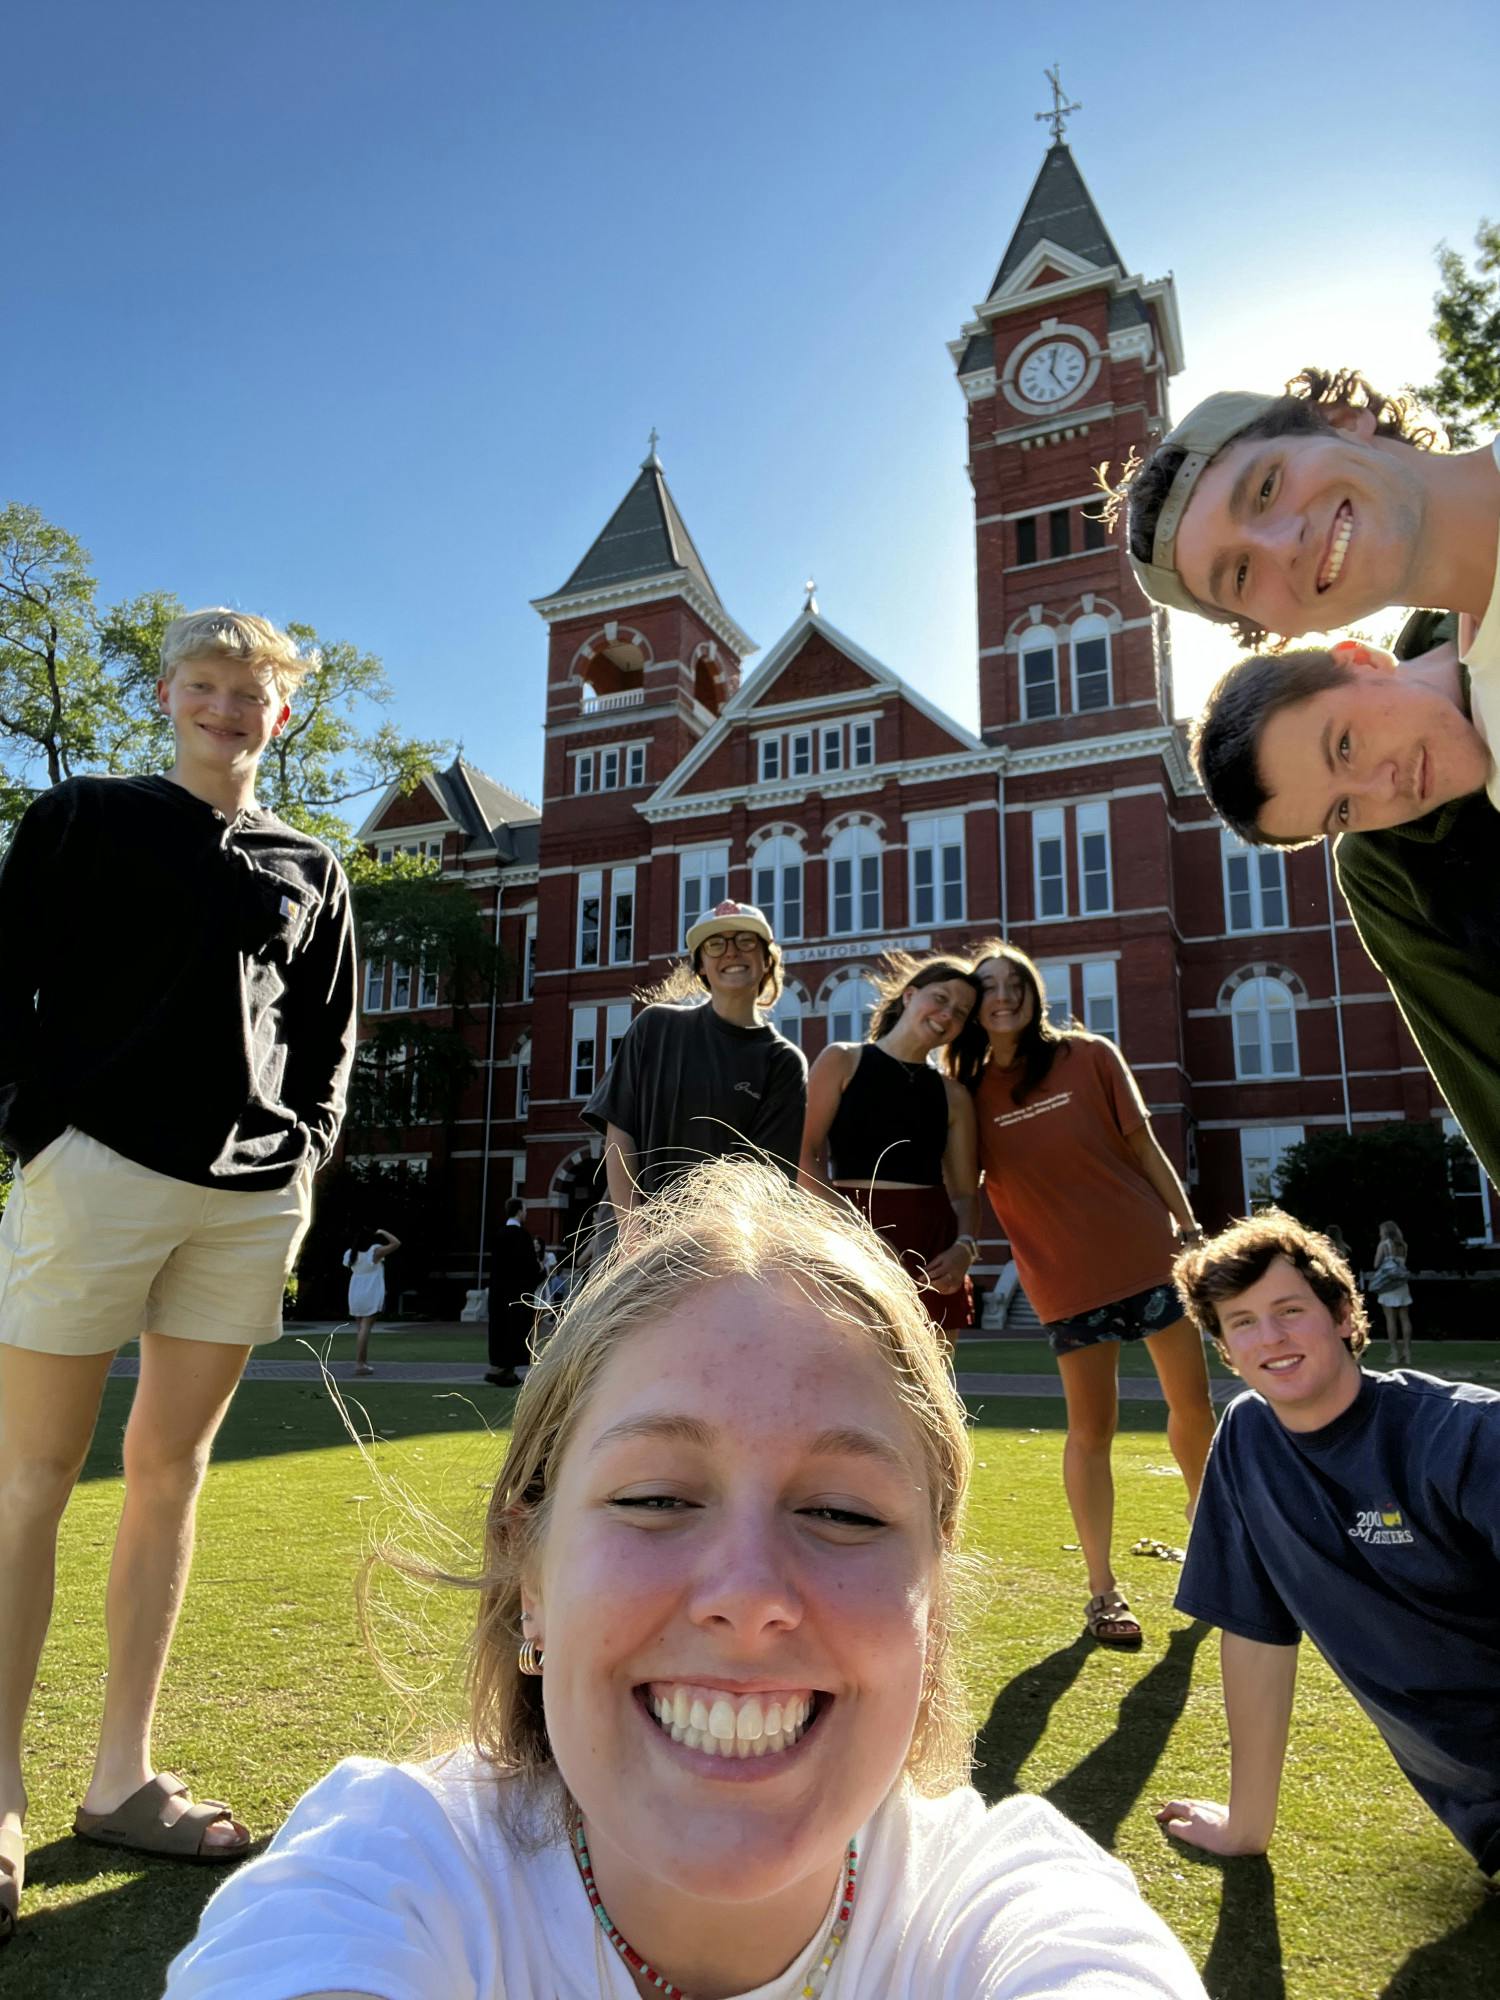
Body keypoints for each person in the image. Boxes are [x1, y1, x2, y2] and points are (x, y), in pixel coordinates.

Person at [165, 1159, 1208, 1999]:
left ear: (932, 1594)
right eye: (656, 1496)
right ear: (528, 1567)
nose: (748, 1589)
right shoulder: (390, 1874)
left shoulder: (1013, 1918)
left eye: (844, 1510)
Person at [0, 608, 357, 1944]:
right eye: (203, 685)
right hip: (94, 1171)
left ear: (283, 714)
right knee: (31, 1478)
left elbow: (326, 1037)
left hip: (247, 1197)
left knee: (170, 1475)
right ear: (168, 698)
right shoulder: (84, 816)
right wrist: (40, 1128)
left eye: (249, 691)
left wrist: (303, 1155)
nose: (224, 707)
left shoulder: (311, 864)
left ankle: (121, 1778)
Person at [1108, 365, 1500, 1189]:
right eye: (1241, 579)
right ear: (1270, 631)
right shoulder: (1420, 831)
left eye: (1266, 487)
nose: (1285, 542)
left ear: (1340, 416)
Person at [1160, 1209, 1500, 1874]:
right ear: (1226, 1350)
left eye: (1289, 1310)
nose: (1271, 1338)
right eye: (1243, 1323)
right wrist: (1245, 1828)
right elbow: (1256, 1636)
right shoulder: (1247, 1440)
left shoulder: (1464, 1437)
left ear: (1344, 1315)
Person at [966, 944, 1215, 1650]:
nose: (1004, 997)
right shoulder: (968, 1092)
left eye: (1016, 984)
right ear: (974, 1006)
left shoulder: (1091, 1055)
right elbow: (961, 1186)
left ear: (1034, 993)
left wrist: (1190, 1226)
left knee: (1193, 1408)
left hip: (1149, 1257)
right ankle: (1103, 1592)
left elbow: (1144, 1146)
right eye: (988, 989)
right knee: (1091, 1431)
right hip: (1067, 1281)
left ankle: (1210, 1546)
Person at [799, 954, 982, 1346]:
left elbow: (966, 1194)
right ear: (910, 995)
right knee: (843, 1377)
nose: (948, 1014)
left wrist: (965, 1248)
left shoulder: (954, 1095)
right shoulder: (842, 1060)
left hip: (931, 1251)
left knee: (929, 1394)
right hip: (845, 1235)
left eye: (961, 1012)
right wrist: (856, 1235)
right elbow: (803, 1156)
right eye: (941, 998)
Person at [585, 899, 808, 1215]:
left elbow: (765, 1181)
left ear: (767, 960)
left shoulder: (782, 1061)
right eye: (715, 944)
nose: (731, 951)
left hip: (718, 1246)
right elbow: (620, 1133)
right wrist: (630, 1228)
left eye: (745, 941)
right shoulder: (654, 1027)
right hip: (629, 1239)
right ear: (701, 965)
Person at [487, 1196, 544, 1388]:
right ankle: (503, 1371)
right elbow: (529, 1266)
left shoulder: (498, 1234)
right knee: (515, 1330)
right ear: (519, 1211)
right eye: (525, 1210)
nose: (526, 1213)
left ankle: (505, 1371)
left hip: (498, 1293)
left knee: (501, 1330)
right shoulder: (522, 1236)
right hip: (517, 1293)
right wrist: (541, 1272)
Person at [344, 1227, 400, 1375]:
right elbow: (396, 1243)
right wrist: (383, 1232)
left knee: (361, 1329)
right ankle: (360, 1363)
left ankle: (362, 1361)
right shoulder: (374, 1252)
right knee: (366, 1328)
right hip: (370, 1292)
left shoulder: (351, 1254)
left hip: (355, 1292)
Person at [1370, 1220, 1414, 1367]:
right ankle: (1407, 1352)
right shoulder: (1403, 1245)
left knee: (1390, 1319)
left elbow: (1376, 1264)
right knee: (1405, 1318)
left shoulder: (1384, 1245)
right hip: (1401, 1284)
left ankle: (1394, 1352)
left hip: (1388, 1284)